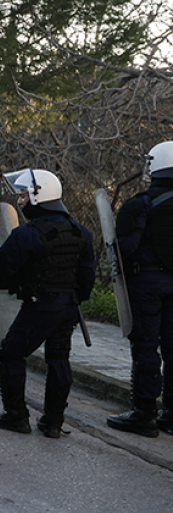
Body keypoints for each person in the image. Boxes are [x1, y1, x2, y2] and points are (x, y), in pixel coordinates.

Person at [0, 169, 95, 438]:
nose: (20, 201)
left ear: (38, 197)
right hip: (68, 307)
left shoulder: (28, 234)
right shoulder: (81, 232)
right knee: (59, 360)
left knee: (10, 354)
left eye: (23, 195)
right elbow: (87, 280)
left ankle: (16, 416)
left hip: (40, 305)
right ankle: (53, 423)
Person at [107, 142, 173, 437]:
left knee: (146, 347)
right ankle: (171, 414)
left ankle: (144, 413)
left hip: (147, 284)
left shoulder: (141, 204)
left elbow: (125, 249)